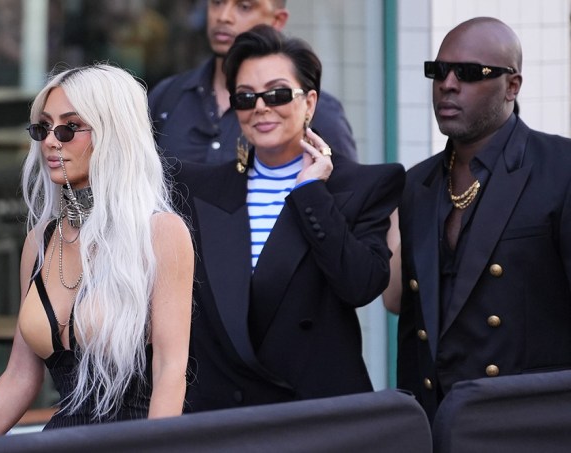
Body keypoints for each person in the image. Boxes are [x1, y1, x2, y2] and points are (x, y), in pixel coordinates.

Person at [172, 25, 404, 411]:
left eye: (278, 94)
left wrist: (310, 192)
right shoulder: (199, 188)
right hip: (224, 413)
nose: (261, 107)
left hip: (316, 411)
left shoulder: (362, 184)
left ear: (310, 103)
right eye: (246, 98)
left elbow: (361, 285)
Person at [0, 64, 194, 436]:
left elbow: (171, 370)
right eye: (43, 128)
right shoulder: (40, 241)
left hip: (133, 439)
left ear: (114, 133)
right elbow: (22, 375)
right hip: (60, 439)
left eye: (69, 128)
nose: (51, 141)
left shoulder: (161, 233)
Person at [396, 17, 571, 422]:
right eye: (438, 71)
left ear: (512, 86)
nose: (448, 84)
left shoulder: (559, 170)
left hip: (530, 424)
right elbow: (413, 330)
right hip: (440, 424)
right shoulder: (416, 184)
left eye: (471, 73)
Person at [148, 0, 357, 165]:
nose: (223, 17)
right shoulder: (168, 96)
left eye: (244, 6)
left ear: (278, 20)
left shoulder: (313, 109)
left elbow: (350, 198)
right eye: (217, 2)